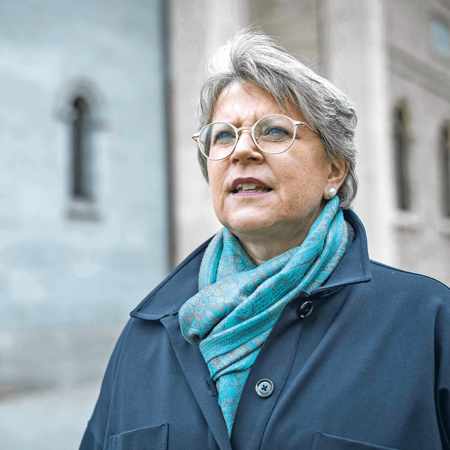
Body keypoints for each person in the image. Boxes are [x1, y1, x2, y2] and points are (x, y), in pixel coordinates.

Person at [79, 28, 450, 450]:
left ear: (334, 170)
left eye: (273, 131)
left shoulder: (426, 325)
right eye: (223, 135)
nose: (242, 151)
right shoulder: (147, 335)